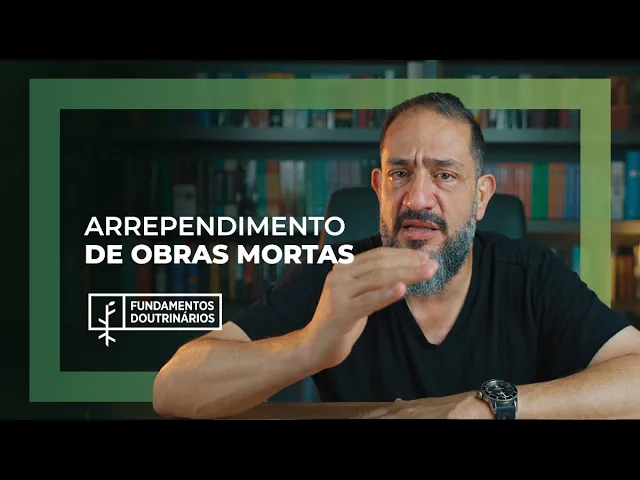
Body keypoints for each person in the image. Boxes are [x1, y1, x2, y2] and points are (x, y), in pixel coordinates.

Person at [152, 92, 640, 420]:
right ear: (379, 187)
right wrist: (310, 346)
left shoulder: (530, 275)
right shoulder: (337, 277)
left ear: (481, 197)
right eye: (400, 173)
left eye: (445, 175)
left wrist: (488, 407)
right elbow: (172, 389)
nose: (418, 199)